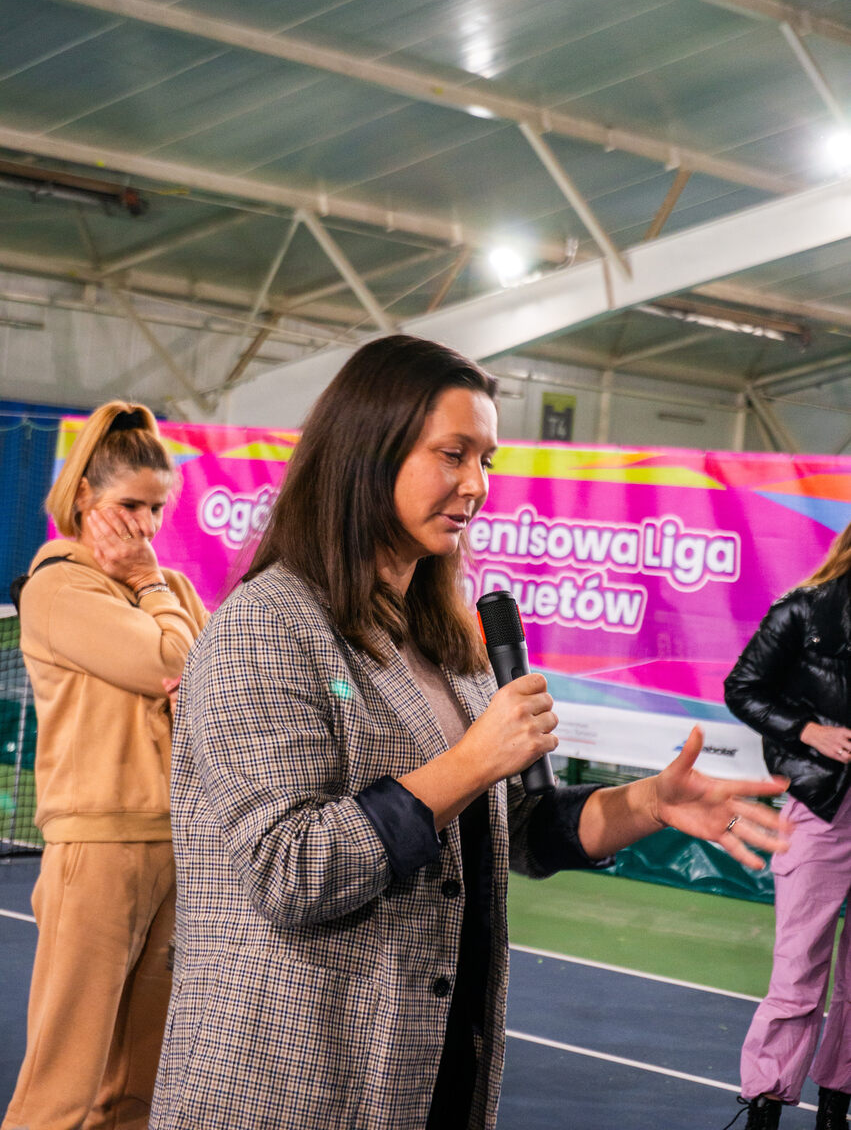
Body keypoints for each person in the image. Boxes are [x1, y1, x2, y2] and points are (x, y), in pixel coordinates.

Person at [150, 334, 789, 1130]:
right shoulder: (265, 626)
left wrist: (649, 803)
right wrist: (472, 760)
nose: (476, 485)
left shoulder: (444, 643)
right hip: (293, 1082)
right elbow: (291, 869)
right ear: (366, 453)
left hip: (425, 1067)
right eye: (452, 454)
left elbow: (509, 828)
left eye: (485, 460)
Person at [3, 401, 207, 1130]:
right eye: (131, 506)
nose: (146, 527)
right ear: (85, 494)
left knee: (133, 1092)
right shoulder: (60, 586)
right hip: (95, 850)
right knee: (61, 1091)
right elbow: (172, 660)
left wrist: (158, 595)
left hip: (174, 846)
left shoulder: (170, 588)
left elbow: (212, 686)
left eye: (157, 509)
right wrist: (154, 591)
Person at [724, 525, 851, 1130]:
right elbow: (742, 688)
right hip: (822, 807)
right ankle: (766, 1107)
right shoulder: (802, 611)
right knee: (798, 969)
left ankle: (836, 1107)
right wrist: (808, 731)